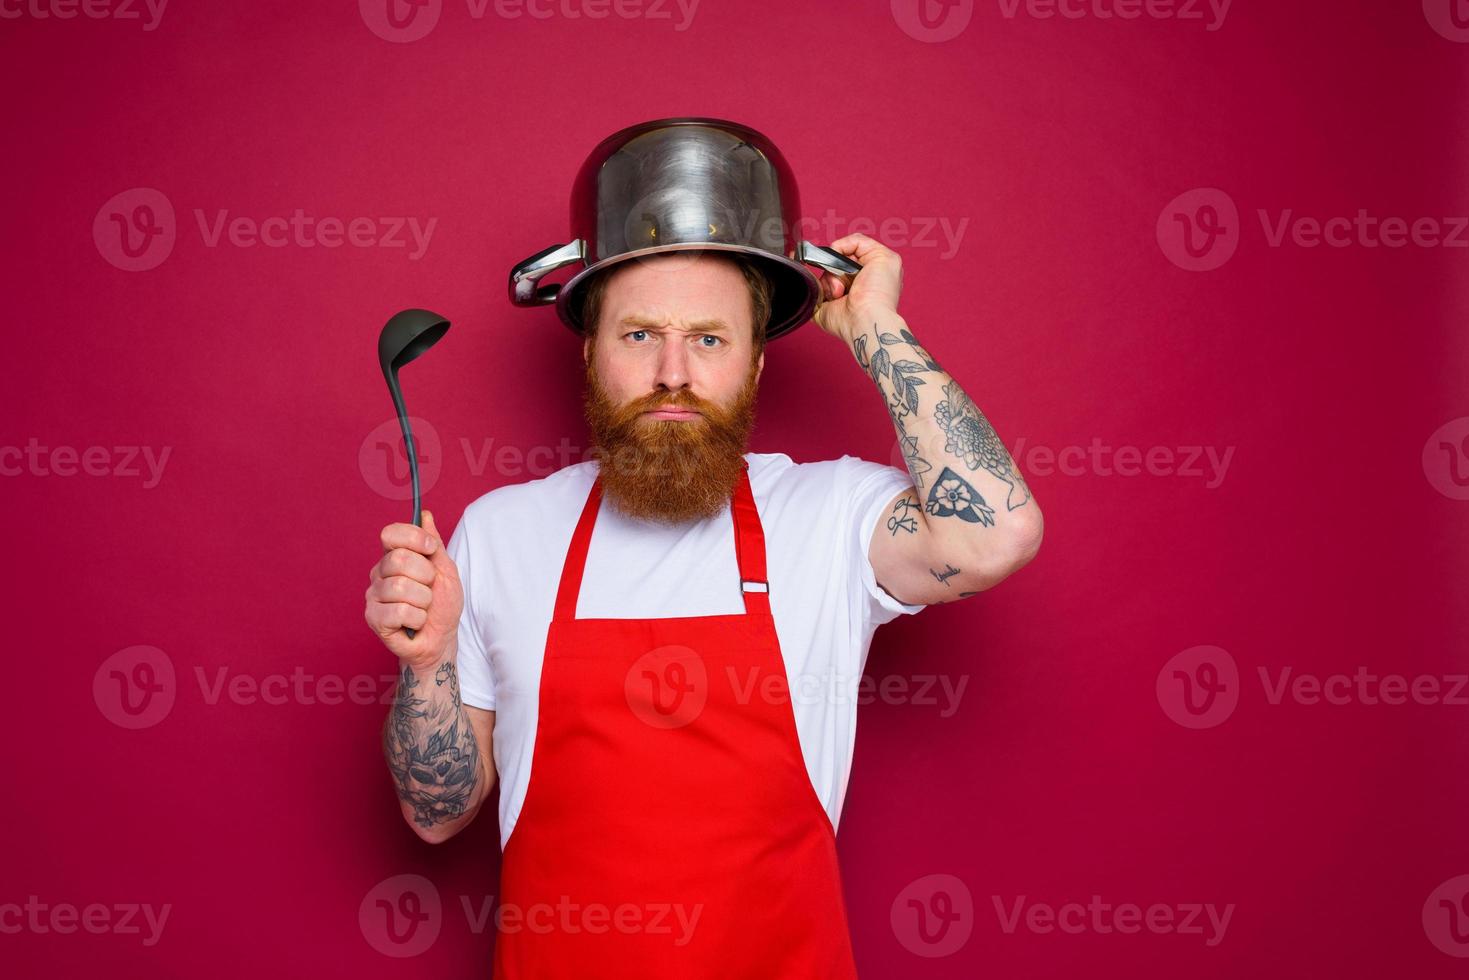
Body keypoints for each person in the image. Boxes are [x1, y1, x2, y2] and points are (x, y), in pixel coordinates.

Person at [364, 233, 1043, 978]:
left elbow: (993, 537)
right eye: (639, 334)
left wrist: (873, 323)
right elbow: (435, 816)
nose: (672, 373)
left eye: (709, 339)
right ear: (589, 352)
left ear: (753, 363)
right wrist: (427, 662)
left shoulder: (824, 515)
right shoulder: (502, 530)